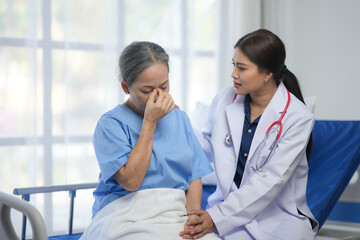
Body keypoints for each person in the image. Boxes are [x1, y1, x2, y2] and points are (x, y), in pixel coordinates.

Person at [180, 29, 319, 240]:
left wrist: (215, 218)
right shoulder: (225, 98)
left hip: (276, 219)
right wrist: (174, 124)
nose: (233, 74)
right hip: (225, 207)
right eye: (233, 64)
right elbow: (204, 146)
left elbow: (269, 181)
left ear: (267, 73)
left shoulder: (297, 117)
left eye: (242, 68)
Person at [80, 41, 219, 240]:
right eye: (146, 90)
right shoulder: (110, 124)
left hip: (174, 215)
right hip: (124, 215)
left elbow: (194, 176)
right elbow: (131, 181)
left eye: (164, 86)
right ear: (125, 87)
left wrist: (193, 218)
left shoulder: (180, 119)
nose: (159, 96)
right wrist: (150, 122)